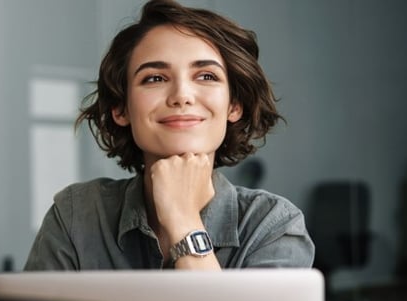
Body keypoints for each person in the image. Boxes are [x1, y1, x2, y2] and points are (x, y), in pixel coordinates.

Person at [24, 0, 314, 271]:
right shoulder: (75, 216)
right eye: (155, 78)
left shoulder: (273, 226)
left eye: (206, 76)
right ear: (120, 109)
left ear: (234, 105)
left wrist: (183, 220)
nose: (181, 96)